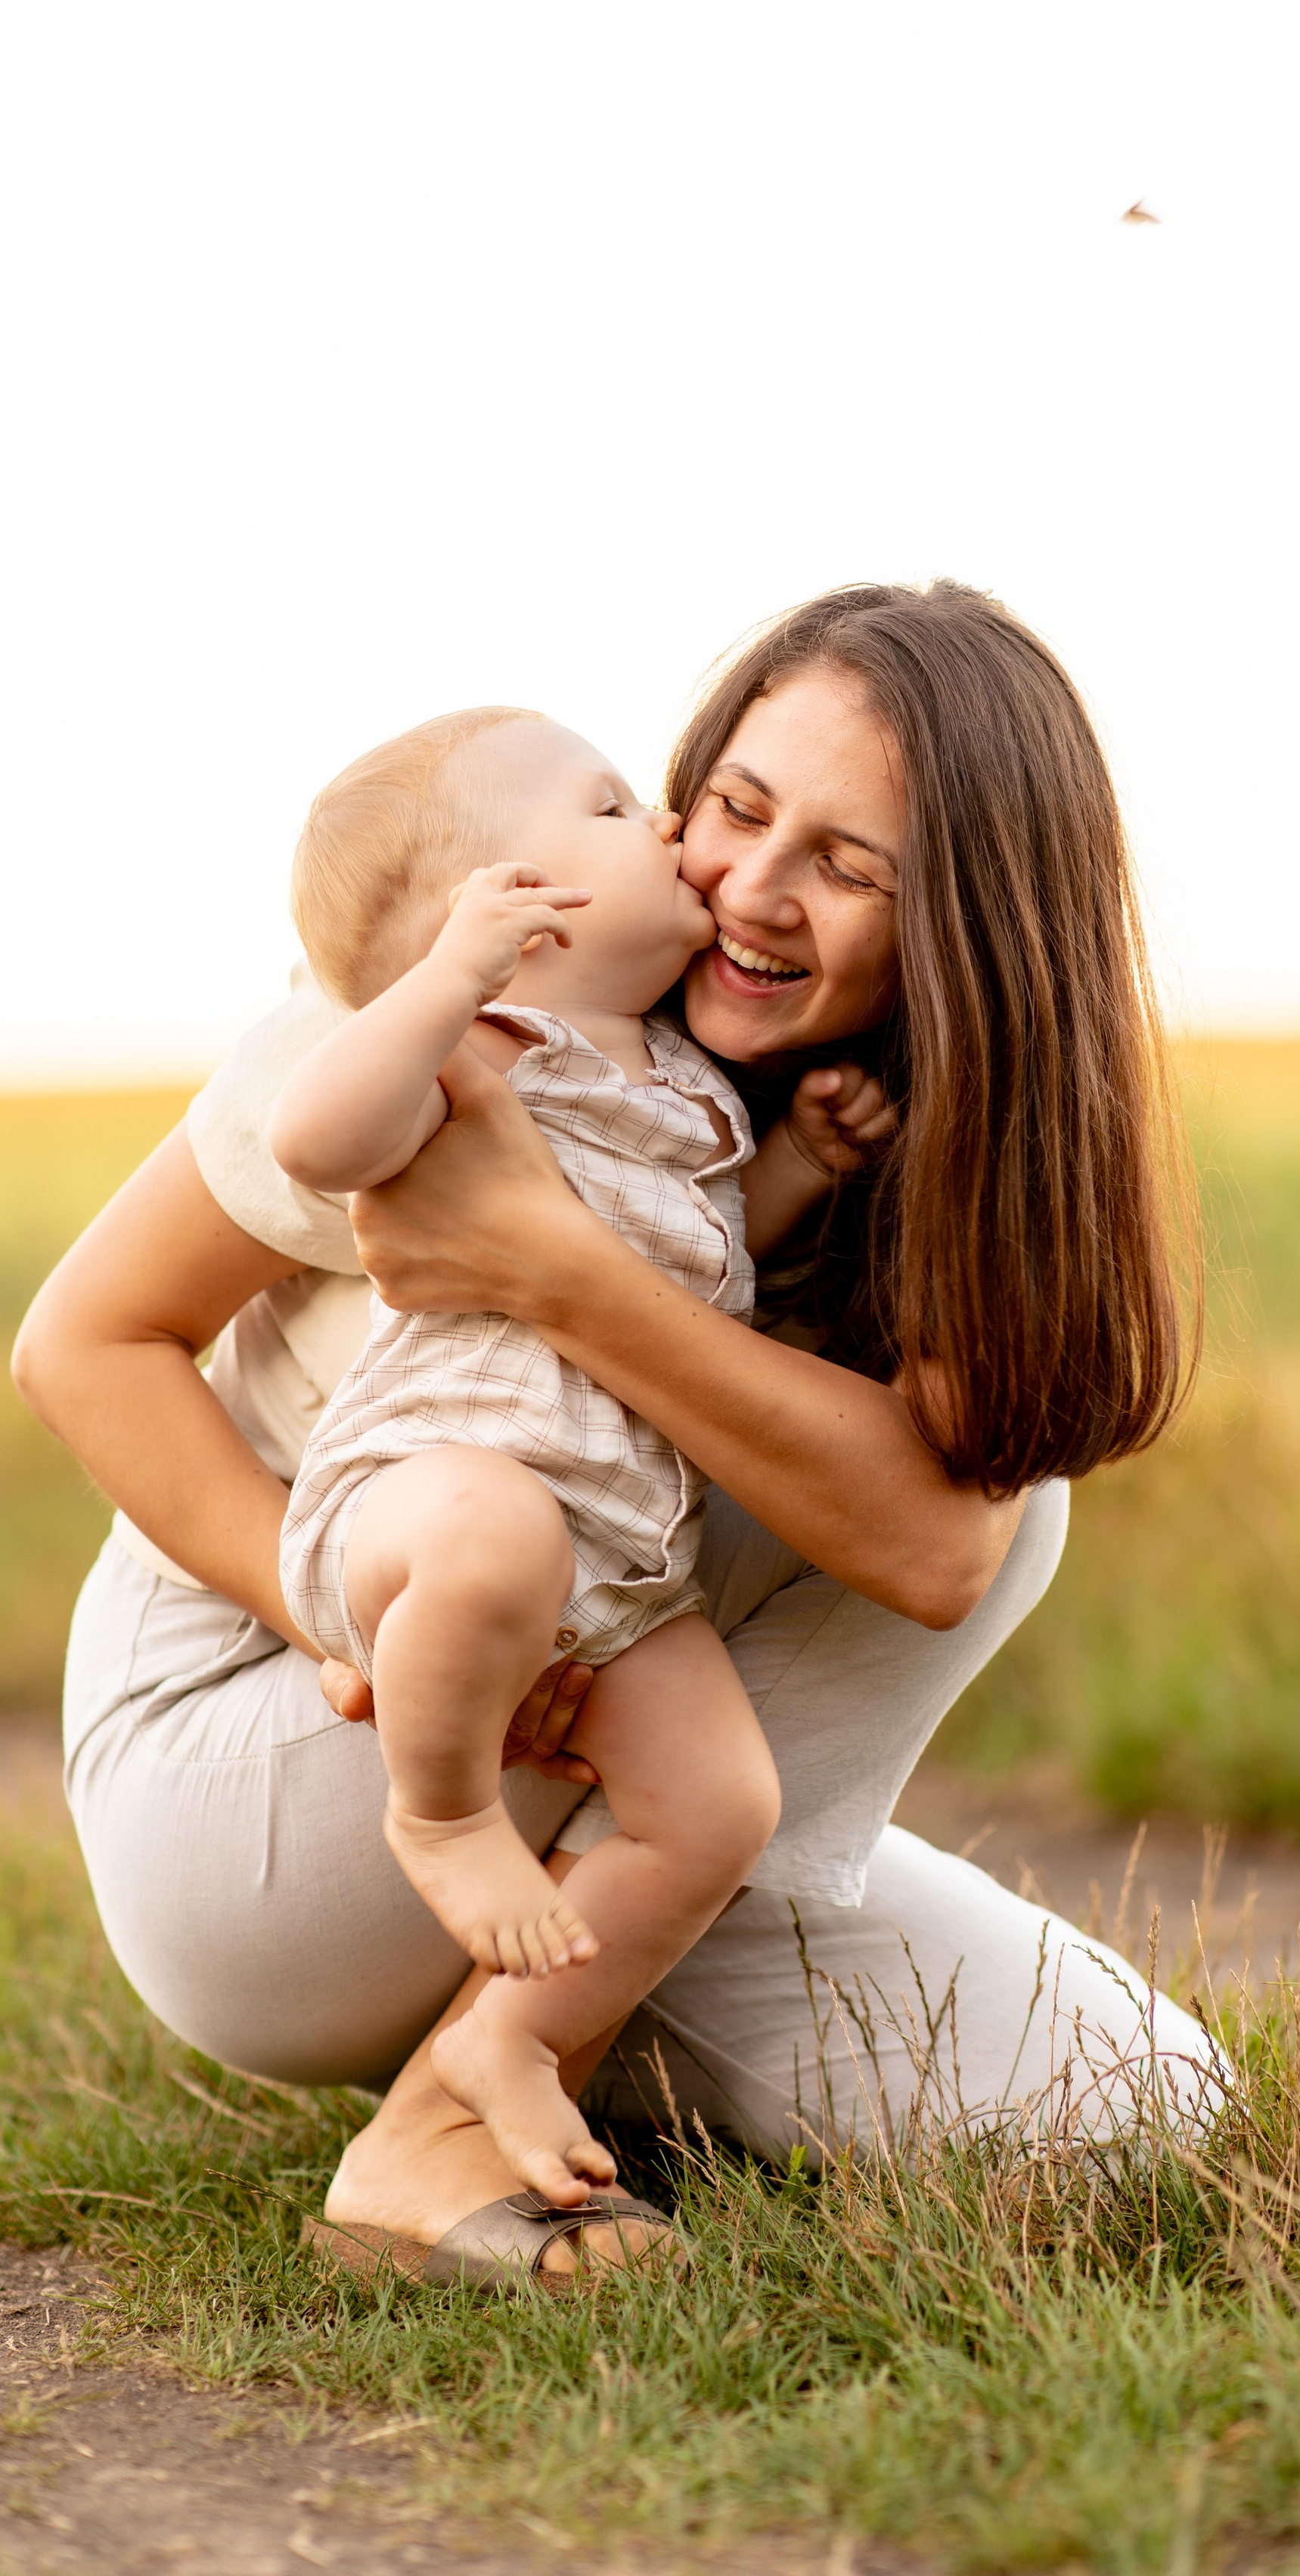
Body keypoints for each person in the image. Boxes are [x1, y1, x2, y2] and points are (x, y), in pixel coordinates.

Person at [14, 579, 1224, 2297]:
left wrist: (555, 1268)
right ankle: (438, 2132)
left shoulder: (841, 1140)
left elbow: (929, 1553)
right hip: (294, 1734)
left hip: (625, 1763)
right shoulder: (449, 1021)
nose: (749, 886)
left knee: (1140, 2110)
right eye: (735, 808)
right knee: (937, 1492)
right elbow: (85, 1342)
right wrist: (347, 1636)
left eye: (850, 866)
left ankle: (548, 2024)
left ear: (970, 927)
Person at [269, 705, 898, 2212]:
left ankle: (510, 2040)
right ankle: (439, 1815)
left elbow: (691, 1278)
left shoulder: (679, 1094)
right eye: (617, 810)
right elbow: (317, 1137)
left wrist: (800, 1166)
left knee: (717, 1805)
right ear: (517, 917)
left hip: (616, 1564)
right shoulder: (489, 1047)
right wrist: (441, 985)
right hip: (429, 1491)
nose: (676, 833)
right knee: (496, 1538)